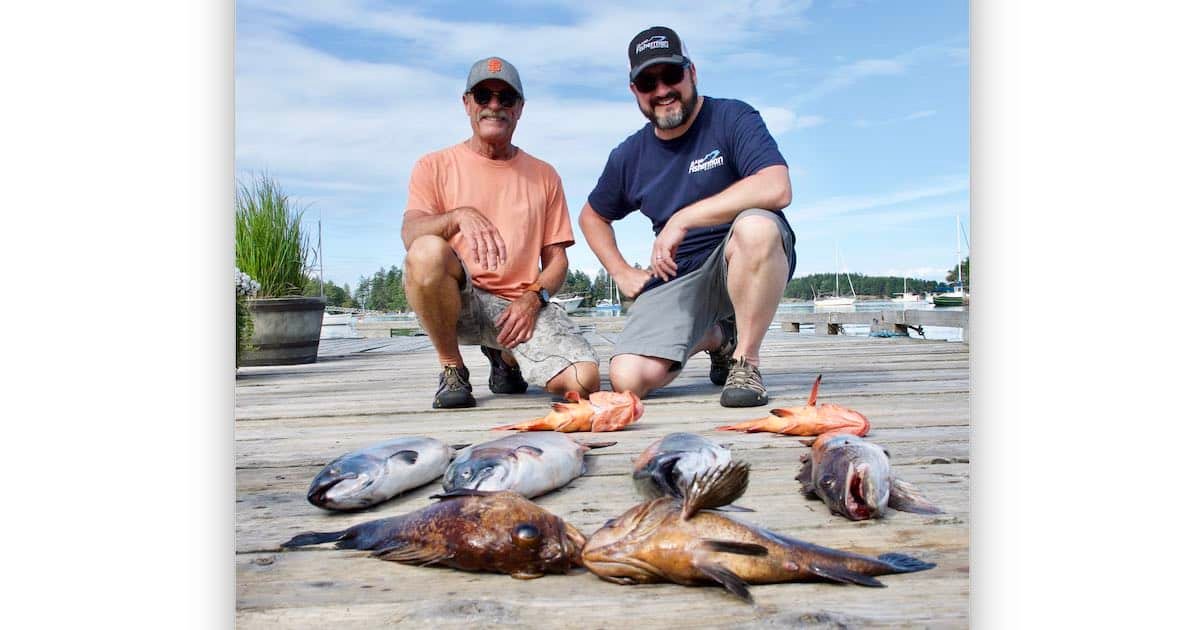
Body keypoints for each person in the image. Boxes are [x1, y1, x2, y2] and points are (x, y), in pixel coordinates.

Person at [579, 26, 796, 408]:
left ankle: (746, 361)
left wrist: (682, 219)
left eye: (671, 75)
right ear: (635, 92)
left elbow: (776, 186)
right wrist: (620, 272)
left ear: (692, 73)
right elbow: (591, 217)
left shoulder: (732, 117)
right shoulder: (628, 156)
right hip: (679, 277)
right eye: (648, 81)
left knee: (757, 228)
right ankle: (718, 337)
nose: (662, 90)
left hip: (740, 259)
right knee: (627, 377)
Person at [401, 56, 599, 409]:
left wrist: (533, 298)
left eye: (505, 98)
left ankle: (505, 357)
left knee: (584, 382)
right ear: (467, 104)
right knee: (425, 250)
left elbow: (557, 263)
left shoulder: (544, 175)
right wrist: (458, 216)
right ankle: (452, 369)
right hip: (459, 301)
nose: (494, 106)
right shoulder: (433, 165)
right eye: (483, 96)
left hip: (517, 307)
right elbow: (410, 234)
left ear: (519, 109)